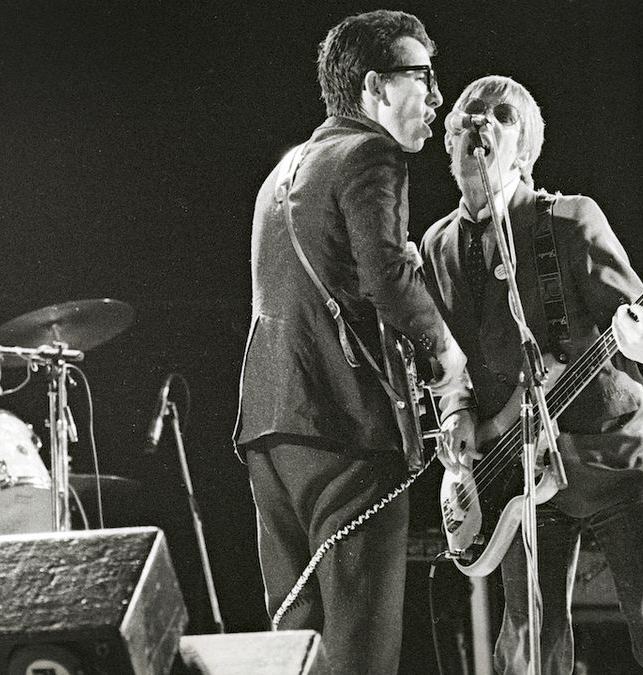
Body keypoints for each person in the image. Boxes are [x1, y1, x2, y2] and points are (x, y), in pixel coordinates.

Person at [419, 75, 643, 673]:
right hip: (519, 473)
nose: (480, 121)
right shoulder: (437, 246)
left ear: (523, 152)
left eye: (501, 115)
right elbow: (444, 361)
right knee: (528, 648)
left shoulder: (571, 220)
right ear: (449, 143)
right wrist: (456, 415)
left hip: (614, 458)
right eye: (468, 114)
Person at [233, 10, 468, 674]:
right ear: (373, 87)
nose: (436, 95)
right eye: (421, 75)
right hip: (344, 426)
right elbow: (389, 280)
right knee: (361, 652)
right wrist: (449, 361)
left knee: (298, 647)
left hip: (272, 430)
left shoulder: (285, 168)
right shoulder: (371, 153)